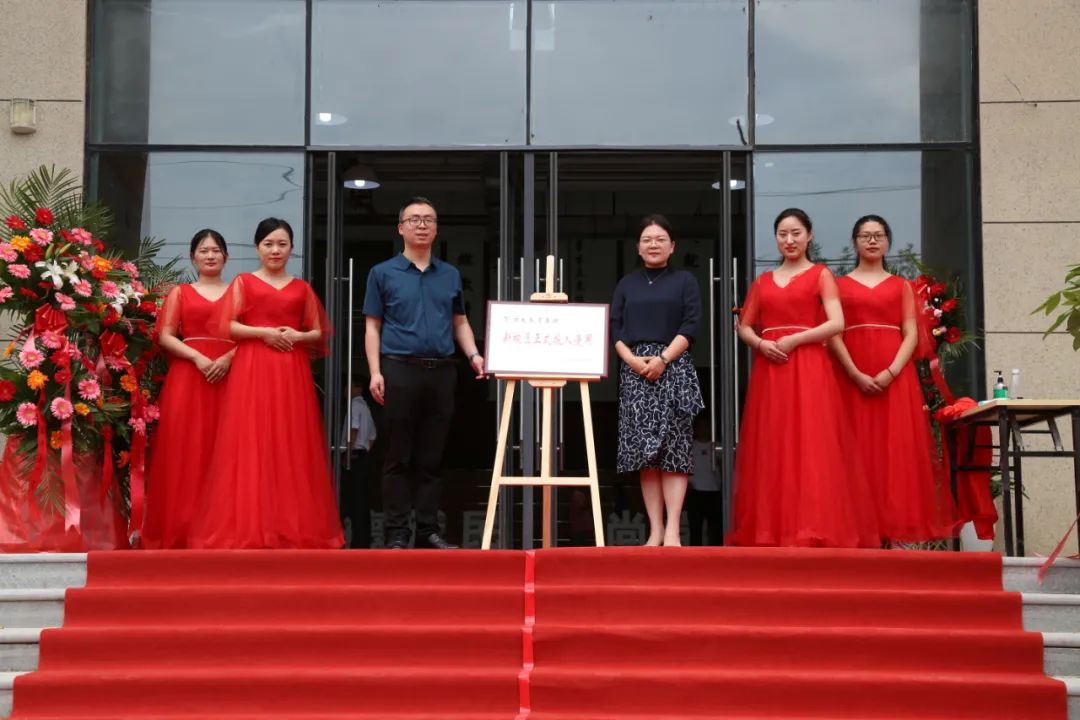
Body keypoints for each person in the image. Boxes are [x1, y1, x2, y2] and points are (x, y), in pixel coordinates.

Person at [188, 218, 343, 549]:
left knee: (290, 443)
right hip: (253, 368)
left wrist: (297, 335)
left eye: (282, 244)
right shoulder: (244, 282)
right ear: (258, 248)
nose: (275, 250)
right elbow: (228, 326)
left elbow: (318, 332)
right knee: (251, 442)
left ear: (291, 249)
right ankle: (250, 526)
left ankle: (289, 525)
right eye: (269, 244)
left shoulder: (302, 288)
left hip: (290, 369)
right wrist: (265, 333)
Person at [728, 208, 879, 548]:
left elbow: (836, 322)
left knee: (811, 446)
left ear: (809, 235)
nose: (789, 240)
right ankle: (773, 529)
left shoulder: (821, 274)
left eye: (796, 233)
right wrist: (761, 342)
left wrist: (796, 339)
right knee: (774, 446)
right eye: (782, 234)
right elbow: (745, 326)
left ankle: (813, 527)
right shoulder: (762, 282)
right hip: (772, 370)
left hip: (808, 366)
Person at [363, 197, 485, 550]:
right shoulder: (382, 273)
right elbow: (373, 327)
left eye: (428, 219)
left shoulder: (448, 275)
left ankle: (428, 530)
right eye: (414, 219)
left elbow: (459, 321)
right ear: (400, 227)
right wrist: (374, 372)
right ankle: (397, 532)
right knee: (398, 455)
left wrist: (474, 355)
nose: (421, 225)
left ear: (436, 228)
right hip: (399, 368)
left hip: (442, 371)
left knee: (432, 456)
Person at [829, 215, 956, 544]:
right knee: (852, 450)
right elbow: (833, 333)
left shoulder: (902, 286)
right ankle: (854, 529)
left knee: (894, 451)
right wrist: (855, 373)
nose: (872, 241)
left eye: (878, 235)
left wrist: (889, 372)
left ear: (887, 241)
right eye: (864, 235)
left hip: (895, 377)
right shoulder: (838, 285)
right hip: (849, 375)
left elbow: (911, 334)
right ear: (854, 242)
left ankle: (894, 530)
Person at [611, 214, 704, 547]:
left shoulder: (685, 281)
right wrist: (635, 361)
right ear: (638, 247)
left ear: (672, 246)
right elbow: (616, 329)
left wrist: (664, 358)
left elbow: (692, 325)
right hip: (636, 373)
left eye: (660, 239)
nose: (653, 244)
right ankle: (654, 530)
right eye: (647, 240)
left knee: (675, 453)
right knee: (646, 456)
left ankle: (673, 530)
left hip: (674, 369)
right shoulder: (627, 284)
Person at [142, 229, 235, 549]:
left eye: (216, 250)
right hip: (188, 375)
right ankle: (182, 527)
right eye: (203, 250)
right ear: (193, 256)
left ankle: (225, 528)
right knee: (184, 451)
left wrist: (226, 358)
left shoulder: (240, 292)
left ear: (226, 256)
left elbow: (251, 334)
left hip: (231, 375)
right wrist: (197, 357)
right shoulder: (180, 293)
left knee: (226, 451)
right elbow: (165, 335)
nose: (210, 255)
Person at [340, 373, 377, 549]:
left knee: (350, 500)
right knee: (361, 501)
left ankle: (351, 539)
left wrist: (347, 453)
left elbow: (353, 430)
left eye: (349, 386)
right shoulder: (367, 408)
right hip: (363, 457)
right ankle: (362, 540)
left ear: (357, 388)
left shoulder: (355, 406)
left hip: (353, 456)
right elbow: (372, 437)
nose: (345, 391)